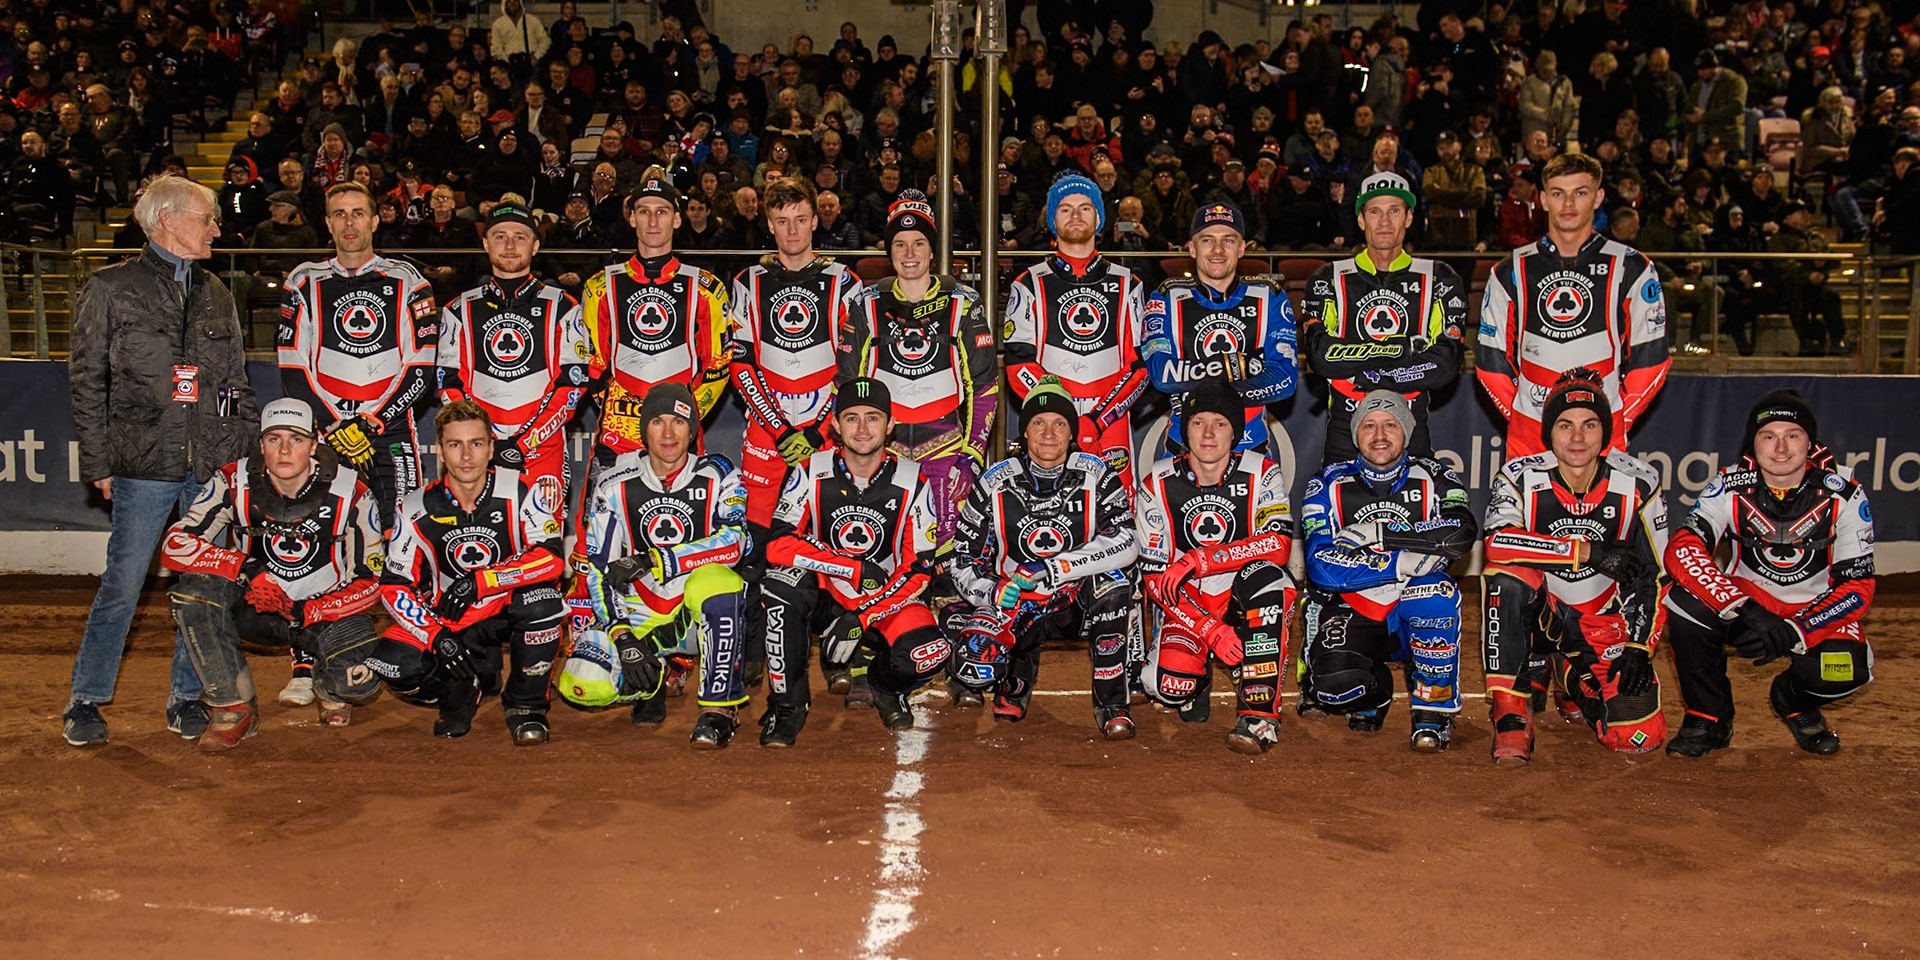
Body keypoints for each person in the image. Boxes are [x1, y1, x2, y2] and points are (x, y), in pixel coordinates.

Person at [63, 175, 258, 747]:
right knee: (124, 584)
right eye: (207, 218)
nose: (216, 229)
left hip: (209, 470)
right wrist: (99, 458)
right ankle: (86, 699)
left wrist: (241, 458)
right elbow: (86, 380)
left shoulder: (218, 292)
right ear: (169, 219)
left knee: (200, 588)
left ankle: (185, 697)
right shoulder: (109, 288)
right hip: (141, 465)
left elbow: (234, 383)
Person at [161, 399, 385, 748]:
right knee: (193, 592)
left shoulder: (351, 491)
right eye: (273, 439)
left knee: (360, 684)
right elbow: (175, 544)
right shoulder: (232, 480)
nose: (283, 450)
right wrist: (244, 568)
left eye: (295, 439)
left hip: (323, 615)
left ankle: (327, 684)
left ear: (314, 444)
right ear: (260, 443)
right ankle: (233, 707)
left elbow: (372, 580)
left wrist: (309, 609)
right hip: (258, 608)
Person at [1663, 391, 1876, 757]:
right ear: (1753, 442)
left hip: (1815, 611)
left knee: (1847, 669)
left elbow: (1857, 587)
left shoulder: (1846, 493)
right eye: (1768, 435)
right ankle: (1708, 717)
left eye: (1792, 434)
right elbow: (1682, 549)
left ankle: (1794, 700)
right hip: (1750, 605)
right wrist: (1742, 608)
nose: (1780, 447)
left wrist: (1799, 629)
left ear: (1810, 441)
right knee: (1683, 602)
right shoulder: (1728, 485)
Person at [1479, 371, 1670, 763]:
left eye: (1589, 425)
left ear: (1606, 431)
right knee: (1505, 578)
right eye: (1565, 426)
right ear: (1549, 432)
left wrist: (1639, 646)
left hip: (1601, 622)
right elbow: (1497, 543)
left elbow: (1656, 574)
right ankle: (1511, 717)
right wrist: (1587, 552)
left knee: (1637, 737)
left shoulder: (1640, 482)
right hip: (1538, 612)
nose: (1577, 438)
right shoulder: (1519, 475)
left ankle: (1569, 677)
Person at [557, 383, 750, 748]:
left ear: (692, 430)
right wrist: (621, 635)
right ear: (643, 430)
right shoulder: (615, 482)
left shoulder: (720, 473)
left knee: (722, 585)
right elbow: (600, 566)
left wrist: (655, 558)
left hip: (697, 609)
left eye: (678, 422)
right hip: (643, 607)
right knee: (583, 682)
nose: (668, 433)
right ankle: (650, 682)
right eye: (657, 422)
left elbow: (735, 543)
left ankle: (718, 709)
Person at [759, 378, 950, 744]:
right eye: (851, 418)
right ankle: (788, 708)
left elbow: (919, 571)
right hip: (827, 596)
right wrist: (850, 568)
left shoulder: (913, 481)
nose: (862, 429)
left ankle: (884, 686)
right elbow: (778, 546)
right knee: (781, 585)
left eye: (873, 418)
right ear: (834, 424)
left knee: (932, 651)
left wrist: (862, 616)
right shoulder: (808, 471)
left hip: (886, 597)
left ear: (890, 425)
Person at [949, 379, 1140, 738]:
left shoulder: (1098, 474)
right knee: (971, 651)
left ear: (1072, 433)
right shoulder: (993, 482)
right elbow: (961, 559)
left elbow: (1127, 541)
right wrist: (992, 591)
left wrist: (1054, 568)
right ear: (1024, 432)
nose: (1049, 433)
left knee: (1113, 584)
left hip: (1075, 603)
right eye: (1038, 422)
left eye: (1060, 424)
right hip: (1016, 603)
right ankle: (1015, 684)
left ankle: (1112, 703)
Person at [370, 400, 568, 744]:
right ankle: (458, 690)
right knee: (392, 663)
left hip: (505, 605)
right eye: (455, 445)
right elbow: (394, 586)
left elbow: (552, 559)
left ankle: (525, 706)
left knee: (545, 604)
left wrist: (483, 581)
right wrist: (435, 635)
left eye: (476, 444)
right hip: (450, 617)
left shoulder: (521, 490)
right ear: (441, 452)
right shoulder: (415, 507)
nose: (466, 456)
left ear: (491, 448)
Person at [1298, 391, 1476, 751]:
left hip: (1416, 606)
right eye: (1369, 425)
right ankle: (1374, 695)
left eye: (1391, 425)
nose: (1380, 435)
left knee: (1433, 593)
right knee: (1331, 687)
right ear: (1355, 435)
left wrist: (1381, 535)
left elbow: (1461, 532)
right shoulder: (1327, 483)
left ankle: (1432, 710)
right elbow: (1320, 567)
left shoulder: (1437, 475)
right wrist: (1399, 560)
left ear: (1407, 433)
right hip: (1358, 607)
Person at [1135, 380, 1296, 754]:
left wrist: (1199, 559)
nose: (1208, 433)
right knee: (1166, 686)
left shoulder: (1262, 472)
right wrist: (1212, 632)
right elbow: (1156, 579)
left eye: (1220, 423)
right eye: (1198, 422)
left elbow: (1278, 546)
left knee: (1274, 584)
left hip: (1241, 591)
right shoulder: (1156, 482)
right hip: (1189, 603)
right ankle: (1200, 675)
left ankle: (1259, 718)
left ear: (1236, 432)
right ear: (1183, 428)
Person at [1476, 152, 1669, 459]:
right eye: (1558, 193)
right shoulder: (1509, 270)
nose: (1568, 204)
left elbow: (1652, 361)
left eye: (1580, 193)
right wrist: (1528, 420)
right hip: (1530, 440)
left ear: (1598, 197)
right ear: (1542, 199)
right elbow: (1490, 362)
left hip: (1602, 441)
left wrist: (1611, 421)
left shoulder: (1632, 267)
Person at [279, 182, 439, 530]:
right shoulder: (303, 280)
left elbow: (422, 367)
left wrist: (372, 422)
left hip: (390, 431)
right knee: (325, 535)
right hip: (327, 433)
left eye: (358, 214)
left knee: (402, 532)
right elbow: (292, 366)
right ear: (327, 223)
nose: (349, 224)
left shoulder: (409, 279)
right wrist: (334, 424)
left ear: (375, 221)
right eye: (340, 215)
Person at [1299, 172, 1465, 467]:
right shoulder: (1328, 278)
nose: (1385, 221)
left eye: (1394, 211)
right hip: (1345, 429)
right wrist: (1403, 349)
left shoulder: (1440, 277)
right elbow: (1322, 358)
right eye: (1374, 211)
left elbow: (1445, 364)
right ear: (1361, 220)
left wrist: (1371, 376)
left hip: (1412, 428)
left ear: (1409, 218)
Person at [727, 178, 863, 536]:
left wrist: (818, 433)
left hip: (827, 422)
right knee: (755, 530)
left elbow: (854, 368)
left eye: (801, 219)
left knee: (828, 526)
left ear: (815, 221)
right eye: (783, 221)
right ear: (769, 224)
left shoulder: (846, 282)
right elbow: (741, 363)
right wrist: (780, 429)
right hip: (766, 418)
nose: (792, 230)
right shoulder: (747, 281)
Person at [436, 200, 590, 505]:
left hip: (541, 451)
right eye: (500, 236)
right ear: (485, 244)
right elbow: (449, 383)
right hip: (476, 452)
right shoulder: (458, 308)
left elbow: (572, 385)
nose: (509, 245)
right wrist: (485, 440)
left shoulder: (564, 306)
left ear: (535, 246)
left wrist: (523, 443)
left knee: (543, 549)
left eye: (519, 237)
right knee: (477, 545)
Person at [1003, 172, 1150, 481]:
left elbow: (1138, 367)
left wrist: (1096, 420)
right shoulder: (1027, 282)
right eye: (1065, 208)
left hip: (1110, 423)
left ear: (1098, 218)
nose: (1075, 215)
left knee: (1117, 520)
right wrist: (1062, 414)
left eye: (1085, 207)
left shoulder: (1129, 283)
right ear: (1053, 220)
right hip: (1049, 421)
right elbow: (1018, 363)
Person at [1141, 202, 1298, 460]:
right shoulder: (1166, 295)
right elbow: (1161, 376)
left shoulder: (1270, 295)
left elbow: (1284, 380)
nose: (1217, 250)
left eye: (1228, 240)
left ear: (1242, 248)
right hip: (1182, 453)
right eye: (1207, 240)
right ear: (1191, 248)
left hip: (1251, 453)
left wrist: (1200, 379)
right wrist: (1238, 367)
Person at [1767, 200, 1847, 357]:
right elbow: (1782, 265)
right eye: (1800, 213)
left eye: (1807, 212)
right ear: (1787, 218)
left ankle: (1838, 339)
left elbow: (1833, 258)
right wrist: (1807, 275)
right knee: (1798, 295)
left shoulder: (1815, 237)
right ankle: (1806, 340)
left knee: (1830, 295)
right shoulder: (1779, 240)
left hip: (1817, 284)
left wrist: (1823, 268)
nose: (1806, 216)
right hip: (1791, 286)